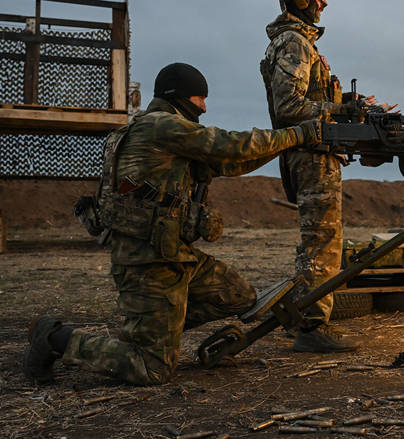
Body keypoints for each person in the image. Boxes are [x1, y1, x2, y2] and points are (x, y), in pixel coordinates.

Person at [22, 62, 322, 386]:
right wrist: (297, 133)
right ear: (180, 97)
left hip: (175, 255)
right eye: (199, 98)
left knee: (240, 297)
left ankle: (146, 329)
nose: (204, 108)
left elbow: (231, 160)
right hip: (148, 262)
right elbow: (231, 145)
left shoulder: (158, 135)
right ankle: (54, 337)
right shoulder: (161, 127)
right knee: (152, 369)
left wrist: (293, 144)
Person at [260, 0, 394, 352]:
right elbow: (289, 106)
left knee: (315, 240)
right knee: (323, 241)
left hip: (310, 151)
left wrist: (348, 106)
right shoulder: (295, 43)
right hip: (312, 153)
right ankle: (312, 326)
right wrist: (341, 109)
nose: (324, 3)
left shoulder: (295, 42)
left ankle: (303, 315)